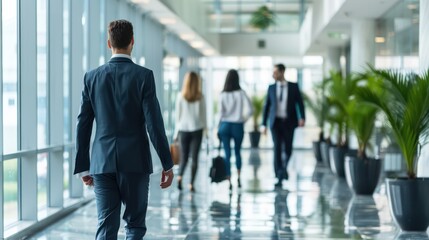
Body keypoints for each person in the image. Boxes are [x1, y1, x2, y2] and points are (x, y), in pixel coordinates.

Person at [73, 19, 174, 239]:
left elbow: (83, 123)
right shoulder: (144, 76)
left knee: (106, 226)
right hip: (135, 161)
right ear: (132, 42)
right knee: (135, 225)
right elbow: (154, 124)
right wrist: (167, 163)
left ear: (109, 44)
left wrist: (83, 166)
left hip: (102, 162)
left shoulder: (92, 77)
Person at [261, 63, 305, 189]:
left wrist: (302, 117)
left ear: (282, 72)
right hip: (275, 122)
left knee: (288, 149)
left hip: (289, 122)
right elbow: (266, 106)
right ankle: (279, 174)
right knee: (277, 148)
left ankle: (283, 169)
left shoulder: (293, 86)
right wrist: (263, 124)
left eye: (275, 72)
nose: (273, 75)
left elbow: (300, 103)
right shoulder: (271, 88)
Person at [218, 69, 253, 191]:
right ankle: (238, 177)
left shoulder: (222, 94)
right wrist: (243, 119)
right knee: (237, 152)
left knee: (227, 154)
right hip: (238, 126)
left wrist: (218, 127)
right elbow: (250, 110)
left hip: (225, 125)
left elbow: (220, 114)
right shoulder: (241, 93)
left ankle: (229, 180)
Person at [174, 71, 207, 192]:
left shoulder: (180, 96)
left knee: (184, 157)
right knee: (195, 158)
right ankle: (191, 184)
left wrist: (175, 134)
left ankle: (180, 177)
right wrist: (206, 132)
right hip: (197, 130)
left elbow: (177, 117)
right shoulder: (201, 97)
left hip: (183, 130)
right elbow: (203, 116)